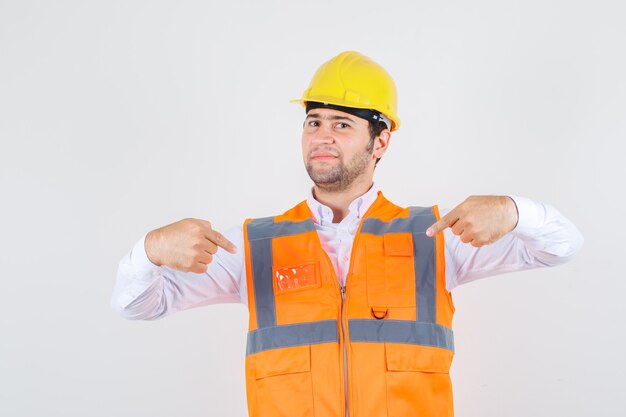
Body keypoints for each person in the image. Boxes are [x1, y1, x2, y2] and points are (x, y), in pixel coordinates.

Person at [111, 51, 584, 417]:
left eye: (342, 124)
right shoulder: (253, 247)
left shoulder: (437, 236)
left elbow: (562, 248)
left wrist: (516, 211)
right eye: (313, 122)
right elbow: (138, 306)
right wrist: (148, 252)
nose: (322, 136)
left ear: (380, 142)